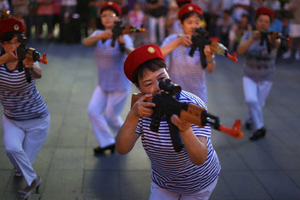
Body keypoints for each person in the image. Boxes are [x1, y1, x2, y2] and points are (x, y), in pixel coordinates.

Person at [116, 44, 221, 200]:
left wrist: (185, 131)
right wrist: (133, 115)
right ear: (138, 87)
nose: (158, 88)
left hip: (199, 183)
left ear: (168, 73)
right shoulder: (142, 107)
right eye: (148, 84)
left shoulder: (191, 103)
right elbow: (122, 148)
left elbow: (199, 158)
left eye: (162, 79)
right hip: (163, 183)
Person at [0, 18, 50, 199]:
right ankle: (32, 178)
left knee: (23, 163)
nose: (14, 46)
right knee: (12, 150)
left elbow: (39, 73)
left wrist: (31, 67)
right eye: (9, 43)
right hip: (12, 118)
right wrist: (4, 58)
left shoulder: (27, 55)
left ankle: (29, 176)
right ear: (1, 43)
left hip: (37, 119)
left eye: (17, 41)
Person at [83, 1, 134, 155]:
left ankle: (126, 138)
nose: (107, 18)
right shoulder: (98, 34)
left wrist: (123, 44)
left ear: (117, 18)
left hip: (120, 85)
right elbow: (86, 42)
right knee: (93, 111)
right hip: (103, 84)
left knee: (112, 117)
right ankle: (108, 142)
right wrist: (101, 35)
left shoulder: (123, 35)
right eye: (104, 15)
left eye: (111, 15)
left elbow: (132, 53)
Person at [237, 7, 281, 140]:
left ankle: (250, 120)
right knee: (251, 100)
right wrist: (252, 40)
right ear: (256, 21)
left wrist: (273, 38)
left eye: (266, 22)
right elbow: (240, 51)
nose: (263, 23)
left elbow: (277, 43)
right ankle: (260, 128)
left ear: (270, 24)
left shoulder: (273, 36)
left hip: (266, 77)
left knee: (258, 104)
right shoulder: (248, 35)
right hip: (249, 74)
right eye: (261, 20)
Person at [160, 3, 216, 104]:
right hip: (175, 94)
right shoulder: (172, 39)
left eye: (197, 22)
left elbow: (210, 69)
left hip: (197, 96)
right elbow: (158, 55)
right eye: (189, 22)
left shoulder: (204, 42)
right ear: (181, 24)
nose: (194, 26)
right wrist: (178, 42)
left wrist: (208, 56)